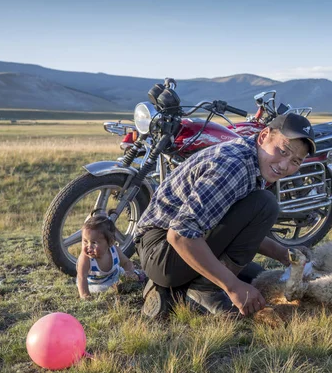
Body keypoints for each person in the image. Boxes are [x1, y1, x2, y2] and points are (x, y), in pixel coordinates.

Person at [134, 113, 317, 318]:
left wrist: (284, 254)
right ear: (263, 136)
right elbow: (179, 235)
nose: (284, 165)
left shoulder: (254, 162)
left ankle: (177, 289)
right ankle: (203, 290)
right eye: (283, 151)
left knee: (255, 275)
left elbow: (236, 226)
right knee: (265, 205)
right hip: (161, 251)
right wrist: (232, 287)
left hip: (175, 245)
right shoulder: (234, 166)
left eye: (295, 161)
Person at [76, 215, 145, 299]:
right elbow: (81, 277)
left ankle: (136, 280)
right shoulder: (85, 258)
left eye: (94, 243)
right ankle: (118, 288)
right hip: (97, 284)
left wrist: (129, 272)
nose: (89, 247)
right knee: (103, 289)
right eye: (85, 241)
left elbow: (126, 262)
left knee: (134, 276)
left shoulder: (114, 250)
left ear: (110, 242)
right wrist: (85, 295)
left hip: (115, 275)